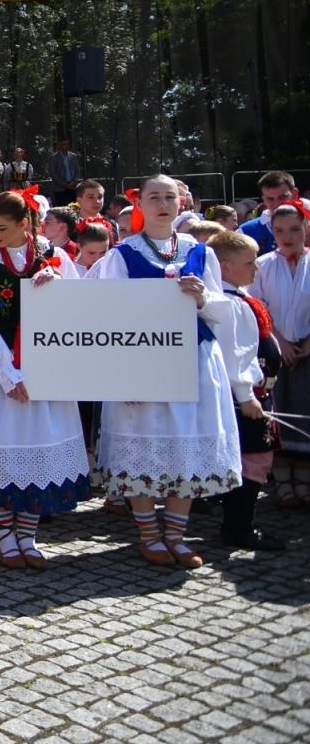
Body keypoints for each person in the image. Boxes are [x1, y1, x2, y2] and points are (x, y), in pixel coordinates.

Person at [87, 175, 242, 568]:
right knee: (144, 440)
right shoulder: (123, 255)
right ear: (140, 204)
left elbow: (221, 309)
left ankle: (175, 534)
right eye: (153, 197)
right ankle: (149, 535)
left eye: (169, 197)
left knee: (185, 441)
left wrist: (202, 297)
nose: (162, 204)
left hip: (194, 357)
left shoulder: (199, 252)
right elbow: (110, 315)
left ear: (180, 202)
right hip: (144, 360)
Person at [0, 193, 91, 567]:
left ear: (24, 223)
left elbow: (81, 305)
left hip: (46, 366)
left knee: (38, 446)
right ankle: (4, 538)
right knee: (4, 444)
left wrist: (58, 282)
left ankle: (28, 537)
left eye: (2, 228)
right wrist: (7, 372)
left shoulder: (53, 254)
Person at [209, 231, 286, 551]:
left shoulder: (237, 298)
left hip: (251, 392)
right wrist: (246, 395)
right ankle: (238, 528)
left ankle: (238, 524)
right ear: (225, 267)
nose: (256, 268)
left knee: (250, 458)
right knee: (252, 459)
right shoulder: (228, 305)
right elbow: (234, 354)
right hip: (244, 396)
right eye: (249, 263)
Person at [253, 202, 310, 506]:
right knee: (277, 412)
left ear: (306, 228)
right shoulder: (263, 265)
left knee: (305, 412)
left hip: (306, 351)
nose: (287, 237)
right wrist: (279, 341)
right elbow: (256, 307)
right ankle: (282, 480)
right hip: (275, 352)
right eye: (279, 230)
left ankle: (304, 479)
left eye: (294, 229)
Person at [239, 172, 298, 256]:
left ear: (294, 194)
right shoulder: (245, 232)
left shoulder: (307, 225)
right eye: (270, 199)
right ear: (263, 199)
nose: (277, 203)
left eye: (282, 197)